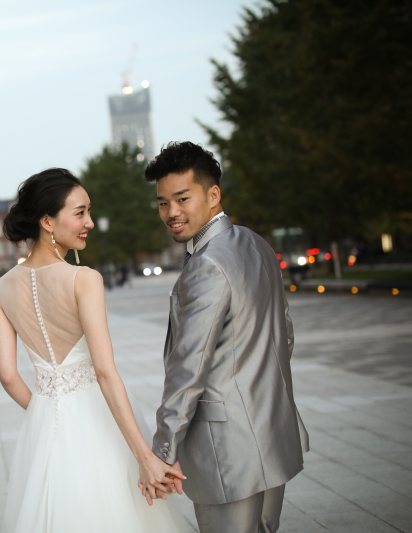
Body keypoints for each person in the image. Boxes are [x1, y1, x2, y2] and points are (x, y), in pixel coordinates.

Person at [0, 168, 187, 532]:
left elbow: (7, 376)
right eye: (80, 213)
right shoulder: (84, 279)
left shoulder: (1, 289)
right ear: (47, 221)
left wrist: (47, 409)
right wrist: (144, 455)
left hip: (45, 425)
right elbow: (105, 371)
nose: (90, 223)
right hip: (98, 423)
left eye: (89, 212)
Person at [142, 142, 309, 533]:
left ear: (213, 194)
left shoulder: (207, 264)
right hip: (271, 433)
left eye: (182, 198)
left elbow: (189, 367)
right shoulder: (256, 244)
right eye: (163, 203)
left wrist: (163, 449)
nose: (171, 213)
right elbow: (284, 335)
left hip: (227, 451)